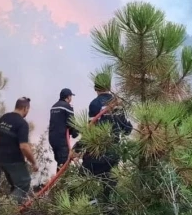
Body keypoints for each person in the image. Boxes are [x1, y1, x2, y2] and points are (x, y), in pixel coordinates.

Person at [75, 75, 132, 205]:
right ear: (109, 86)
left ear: (95, 88)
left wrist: (77, 148)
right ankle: (108, 213)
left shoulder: (94, 104)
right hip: (113, 155)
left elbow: (91, 130)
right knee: (109, 192)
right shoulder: (118, 104)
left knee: (82, 185)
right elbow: (127, 130)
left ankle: (90, 208)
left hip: (95, 156)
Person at [0, 97, 39, 203]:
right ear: (25, 108)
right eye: (28, 109)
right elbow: (24, 147)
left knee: (15, 185)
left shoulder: (4, 118)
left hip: (1, 159)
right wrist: (34, 163)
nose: (27, 112)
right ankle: (7, 212)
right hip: (14, 160)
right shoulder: (22, 123)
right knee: (24, 183)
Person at [48, 88, 79, 172]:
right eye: (71, 96)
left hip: (52, 139)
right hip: (62, 140)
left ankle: (58, 182)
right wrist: (76, 133)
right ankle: (61, 183)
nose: (71, 99)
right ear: (68, 97)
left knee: (60, 162)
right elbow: (71, 123)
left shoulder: (53, 107)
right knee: (64, 164)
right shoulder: (67, 107)